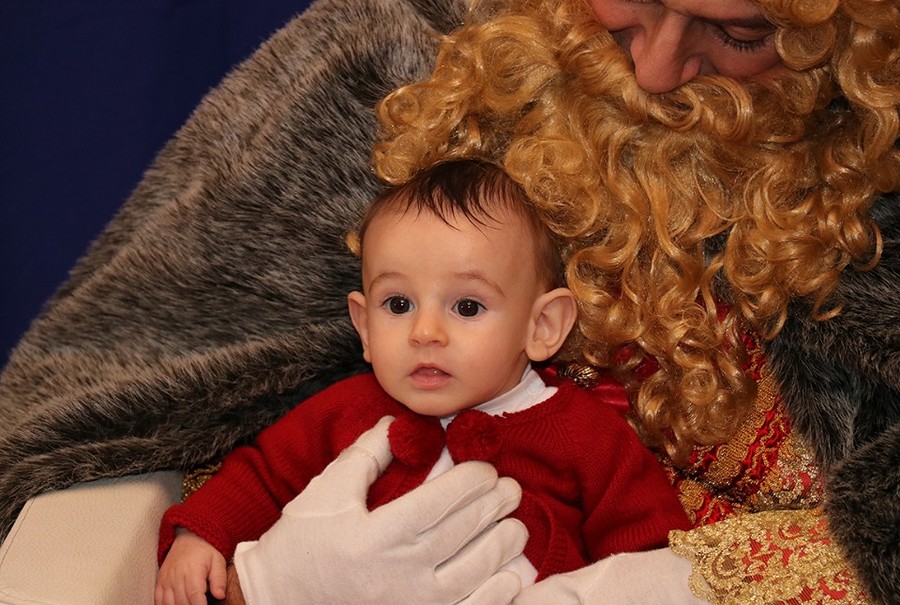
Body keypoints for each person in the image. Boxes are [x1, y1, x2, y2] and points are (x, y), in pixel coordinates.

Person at [154, 159, 691, 605]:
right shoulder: (349, 409)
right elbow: (264, 474)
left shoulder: (586, 433)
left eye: (467, 306)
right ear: (364, 327)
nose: (425, 332)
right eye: (398, 304)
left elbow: (647, 549)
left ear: (542, 326)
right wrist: (199, 535)